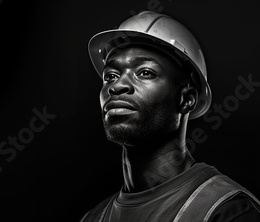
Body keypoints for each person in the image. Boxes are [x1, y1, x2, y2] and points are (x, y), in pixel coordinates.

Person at [80, 11, 260, 222]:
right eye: (110, 76)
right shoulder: (94, 218)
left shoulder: (228, 210)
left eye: (145, 72)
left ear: (187, 99)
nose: (117, 86)